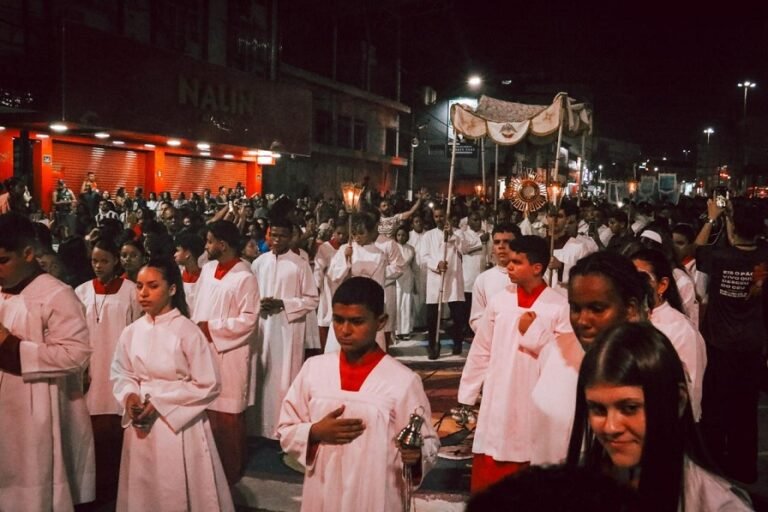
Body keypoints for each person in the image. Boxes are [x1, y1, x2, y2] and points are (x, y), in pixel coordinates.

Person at [277, 277, 439, 511]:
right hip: (324, 489)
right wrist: (314, 432)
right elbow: (286, 427)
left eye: (357, 321)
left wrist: (416, 454)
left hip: (375, 493)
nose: (345, 330)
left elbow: (427, 441)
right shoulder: (314, 369)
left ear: (380, 322)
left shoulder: (402, 381)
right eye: (338, 320)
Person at [566, 322, 752, 511]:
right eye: (598, 409)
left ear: (677, 401)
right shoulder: (581, 481)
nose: (611, 427)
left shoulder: (718, 505)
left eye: (630, 408)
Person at [111, 258, 234, 512]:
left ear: (172, 289)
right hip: (140, 419)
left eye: (153, 286)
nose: (143, 293)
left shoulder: (187, 331)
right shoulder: (131, 331)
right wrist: (130, 396)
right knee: (143, 487)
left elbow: (208, 383)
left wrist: (160, 402)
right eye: (139, 286)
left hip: (178, 422)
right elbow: (121, 371)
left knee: (174, 485)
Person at [458, 235, 571, 493]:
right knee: (494, 453)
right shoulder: (499, 301)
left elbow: (564, 358)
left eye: (517, 262)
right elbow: (481, 349)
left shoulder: (559, 306)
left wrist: (536, 332)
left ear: (537, 268)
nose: (509, 266)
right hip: (499, 393)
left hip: (536, 393)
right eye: (509, 261)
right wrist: (467, 393)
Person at [0, 212, 95, 510]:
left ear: (28, 253)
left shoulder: (56, 294)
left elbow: (75, 354)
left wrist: (10, 345)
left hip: (37, 409)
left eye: (3, 261)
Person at [523, 251, 649, 466]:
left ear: (630, 308)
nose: (582, 321)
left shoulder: (650, 363)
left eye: (597, 309)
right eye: (575, 308)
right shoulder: (555, 351)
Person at [697, 198, 768, 484]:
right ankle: (744, 467)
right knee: (745, 408)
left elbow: (697, 248)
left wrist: (712, 218)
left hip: (720, 343)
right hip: (752, 344)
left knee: (716, 407)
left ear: (733, 226)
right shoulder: (764, 255)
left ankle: (715, 465)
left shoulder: (719, 257)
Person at [192, 220, 260, 484]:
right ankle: (205, 468)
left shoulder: (245, 277)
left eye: (210, 241)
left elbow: (249, 319)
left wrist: (211, 328)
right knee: (203, 408)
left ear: (222, 244)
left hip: (230, 353)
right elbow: (196, 303)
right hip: (202, 348)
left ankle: (230, 471)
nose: (206, 246)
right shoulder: (208, 269)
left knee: (227, 414)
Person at [75, 237, 142, 506]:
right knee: (89, 435)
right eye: (94, 261)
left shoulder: (131, 291)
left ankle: (116, 490)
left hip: (119, 369)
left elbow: (137, 331)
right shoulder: (81, 291)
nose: (98, 266)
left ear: (116, 261)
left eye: (104, 260)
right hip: (90, 370)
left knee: (115, 433)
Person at [250, 217, 319, 439]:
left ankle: (282, 429)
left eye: (282, 236)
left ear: (291, 237)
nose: (276, 240)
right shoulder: (259, 263)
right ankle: (258, 428)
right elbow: (249, 294)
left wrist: (284, 304)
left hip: (288, 329)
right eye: (273, 235)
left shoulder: (299, 264)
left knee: (283, 379)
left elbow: (312, 299)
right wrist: (258, 303)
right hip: (262, 327)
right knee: (261, 375)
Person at [630, 248, 706, 421]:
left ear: (662, 285)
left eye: (642, 278)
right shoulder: (623, 320)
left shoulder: (681, 330)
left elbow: (691, 394)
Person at [421, 205, 467, 359]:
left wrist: (452, 235)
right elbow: (423, 257)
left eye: (442, 216)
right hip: (436, 278)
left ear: (447, 217)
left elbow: (464, 249)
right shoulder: (428, 235)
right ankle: (433, 345)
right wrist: (437, 264)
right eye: (436, 216)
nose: (439, 219)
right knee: (432, 315)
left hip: (453, 277)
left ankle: (457, 342)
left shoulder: (459, 233)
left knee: (457, 313)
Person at [468, 222, 520, 332]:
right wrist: (496, 332)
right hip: (493, 338)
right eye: (497, 242)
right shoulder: (482, 280)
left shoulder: (530, 277)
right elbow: (476, 318)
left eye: (507, 242)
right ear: (493, 247)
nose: (501, 246)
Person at [394, 224, 417, 339]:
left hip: (408, 277)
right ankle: (397, 331)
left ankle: (406, 330)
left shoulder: (411, 248)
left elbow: (413, 266)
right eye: (398, 235)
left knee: (407, 303)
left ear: (407, 236)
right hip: (396, 277)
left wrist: (415, 282)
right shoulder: (393, 247)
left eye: (403, 235)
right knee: (398, 303)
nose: (401, 237)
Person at [173, 232, 205, 316]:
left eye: (178, 250)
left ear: (187, 254)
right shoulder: (177, 275)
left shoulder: (205, 277)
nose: (175, 254)